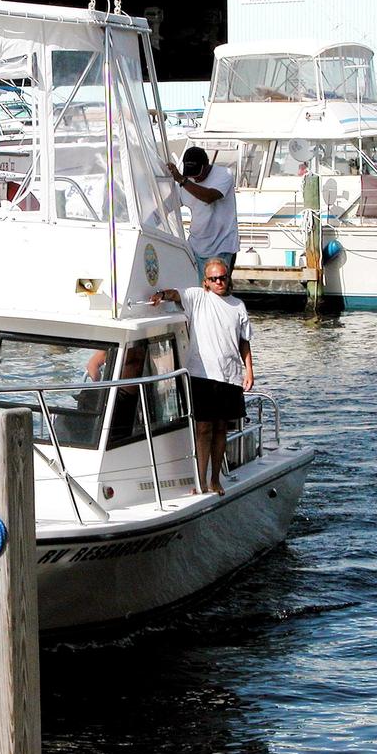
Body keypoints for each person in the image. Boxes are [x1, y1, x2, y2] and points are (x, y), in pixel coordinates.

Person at [150, 258, 254, 495]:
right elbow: (176, 294)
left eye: (223, 277)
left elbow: (244, 342)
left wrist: (249, 371)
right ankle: (200, 481)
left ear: (229, 278)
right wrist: (161, 294)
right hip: (202, 374)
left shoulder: (238, 306)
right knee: (203, 429)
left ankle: (215, 479)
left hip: (230, 376)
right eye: (214, 278)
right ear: (206, 281)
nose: (219, 282)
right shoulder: (198, 297)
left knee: (220, 430)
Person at [168, 145, 239, 280]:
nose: (196, 178)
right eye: (191, 174)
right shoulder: (186, 183)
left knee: (216, 293)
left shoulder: (224, 174)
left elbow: (209, 197)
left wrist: (183, 180)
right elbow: (166, 206)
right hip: (195, 247)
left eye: (198, 173)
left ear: (206, 165)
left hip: (221, 247)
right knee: (197, 292)